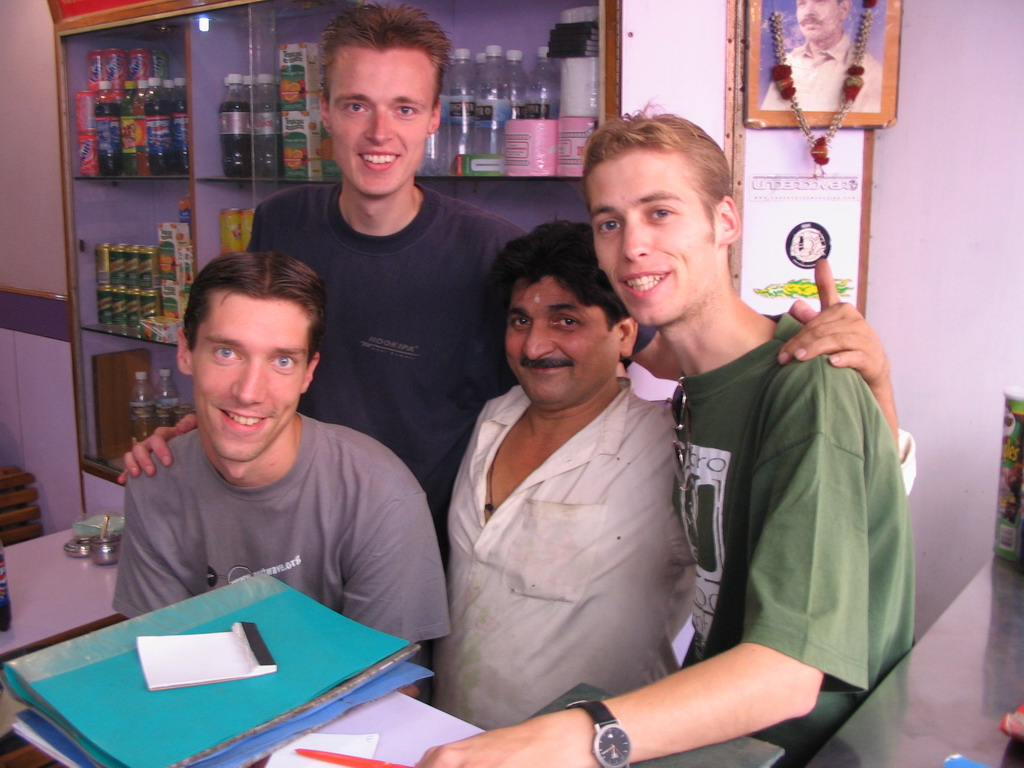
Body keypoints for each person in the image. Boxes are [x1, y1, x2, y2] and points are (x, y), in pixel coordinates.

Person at [120, 3, 901, 553]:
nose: (379, 132)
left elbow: (655, 344)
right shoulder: (281, 225)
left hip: (438, 552)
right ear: (324, 111)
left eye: (403, 107)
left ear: (435, 118)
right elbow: (257, 360)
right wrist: (210, 421)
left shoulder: (491, 248)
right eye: (356, 105)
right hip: (295, 536)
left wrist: (845, 366)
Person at [418, 112, 913, 768]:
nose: (632, 247)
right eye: (609, 222)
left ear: (726, 222)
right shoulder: (695, 397)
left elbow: (792, 674)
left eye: (661, 213)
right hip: (723, 748)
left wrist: (562, 737)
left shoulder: (805, 380)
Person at [114, 251, 449, 651]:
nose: (249, 392)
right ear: (185, 351)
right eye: (227, 352)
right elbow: (164, 658)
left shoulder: (380, 495)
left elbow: (390, 686)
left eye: (283, 360)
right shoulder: (156, 479)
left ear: (309, 371)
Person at [432, 221, 694, 730]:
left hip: (593, 753)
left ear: (623, 333)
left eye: (566, 321)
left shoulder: (667, 448)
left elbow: (813, 513)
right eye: (520, 321)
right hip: (456, 740)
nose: (533, 347)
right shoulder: (491, 419)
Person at [760, 0, 883, 113]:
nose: (808, 12)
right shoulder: (787, 62)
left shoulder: (872, 72)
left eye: (820, 1)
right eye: (802, 3)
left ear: (843, 9)